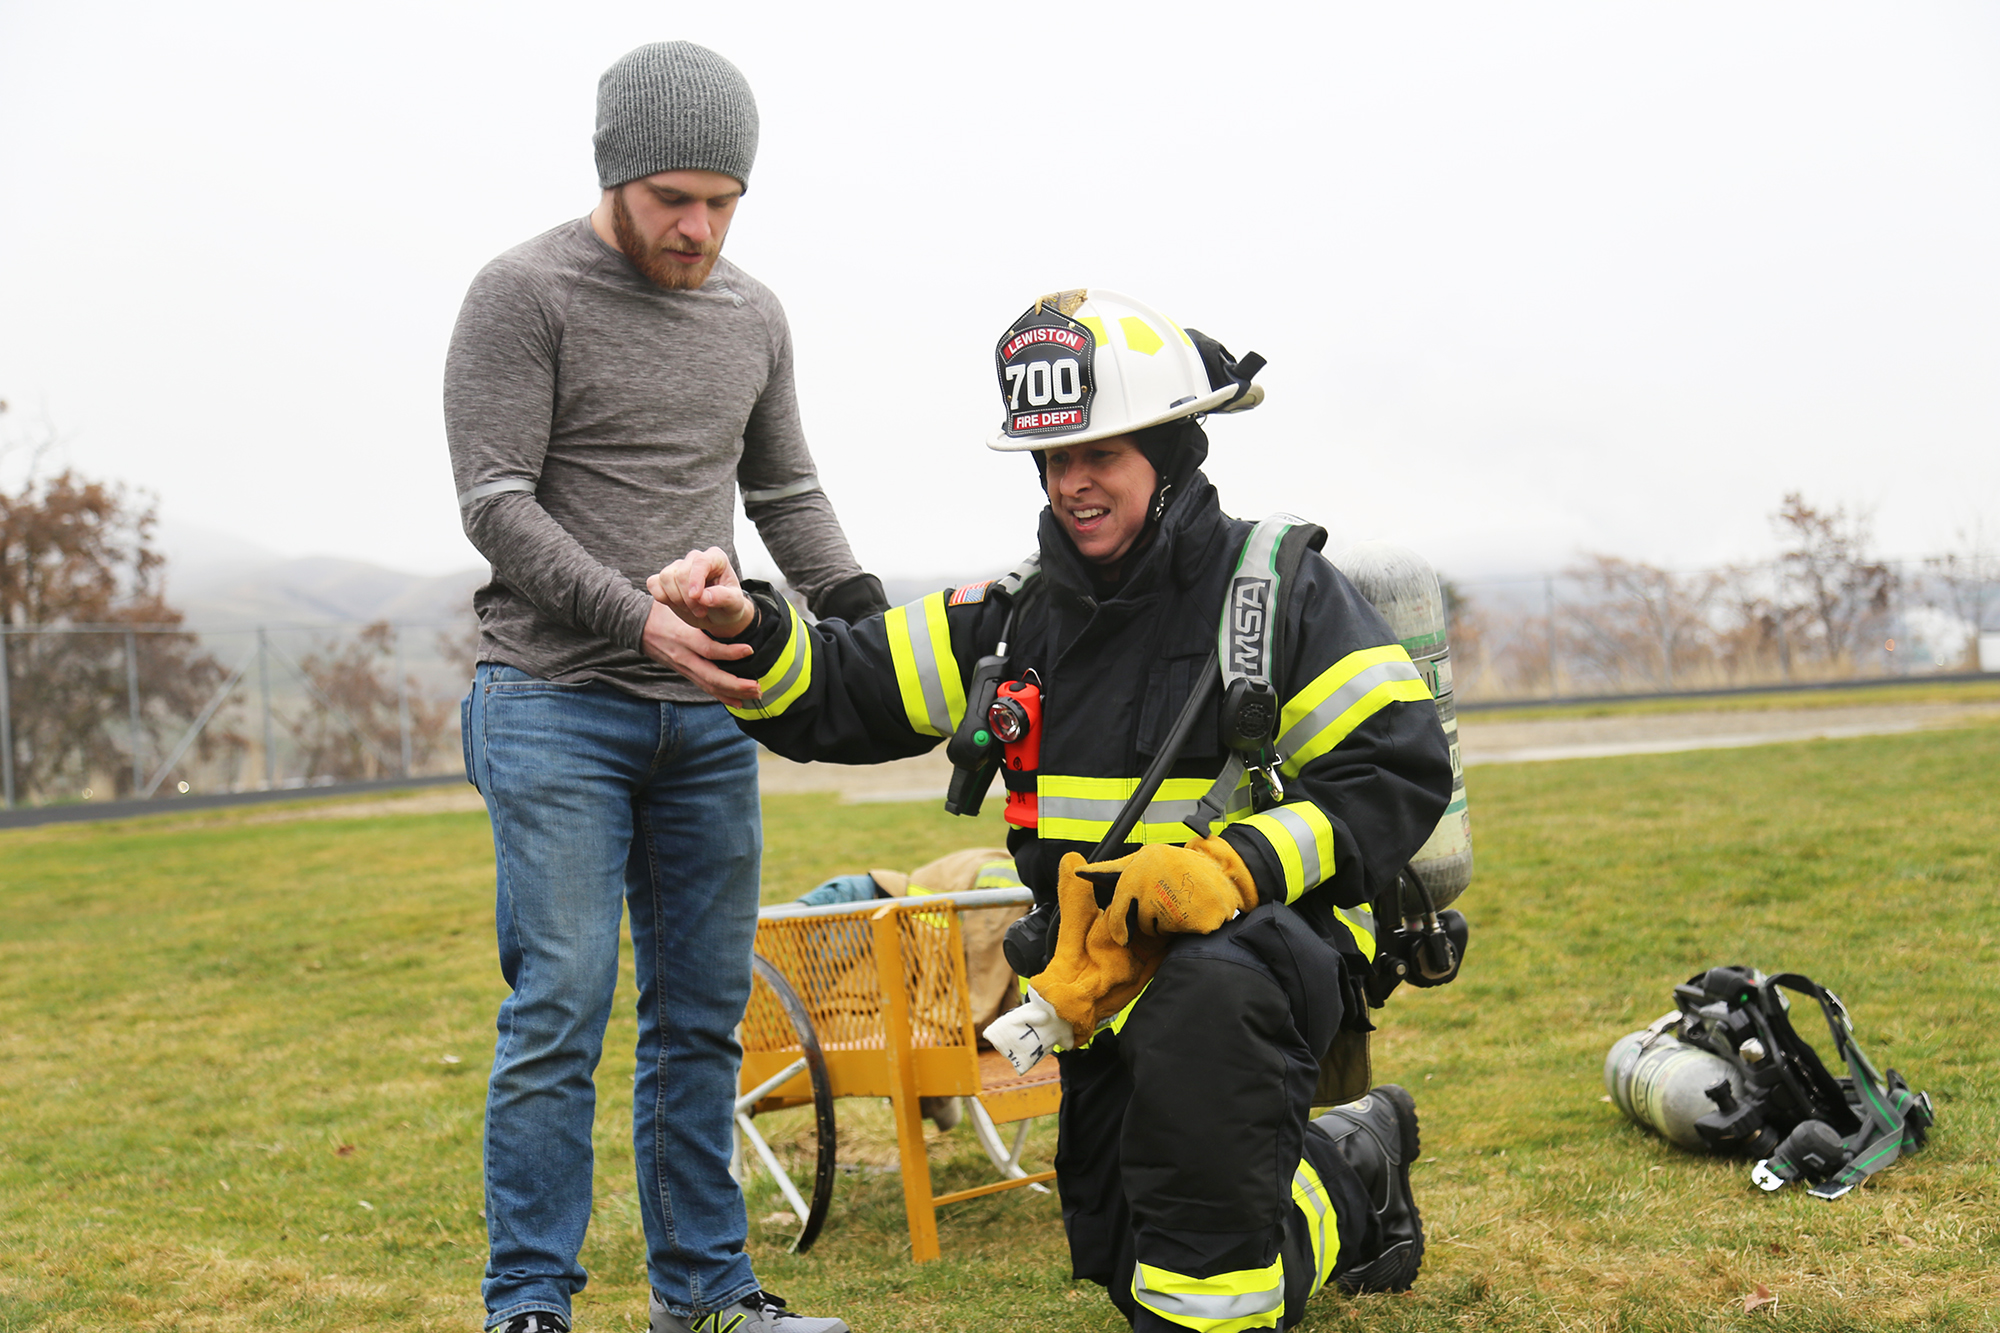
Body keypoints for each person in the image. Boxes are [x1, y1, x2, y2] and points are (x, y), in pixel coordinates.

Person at [650, 289, 1456, 1330]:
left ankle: (1207, 1314)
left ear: (1169, 452)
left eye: (1099, 455)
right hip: (1100, 991)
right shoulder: (1016, 618)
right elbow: (842, 688)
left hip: (1260, 965)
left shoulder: (1277, 595)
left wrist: (1237, 865)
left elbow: (1390, 769)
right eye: (1051, 459)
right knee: (1134, 1244)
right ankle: (1355, 1166)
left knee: (1196, 1263)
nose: (1071, 484)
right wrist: (749, 626)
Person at [444, 40, 879, 1333]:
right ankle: (529, 1301)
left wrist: (866, 618)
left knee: (699, 1017)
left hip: (707, 719)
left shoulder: (753, 315)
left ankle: (706, 1295)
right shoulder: (522, 295)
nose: (698, 227)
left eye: (722, 202)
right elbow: (495, 501)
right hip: (548, 701)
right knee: (563, 1005)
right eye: (672, 199)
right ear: (614, 175)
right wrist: (634, 614)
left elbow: (784, 490)